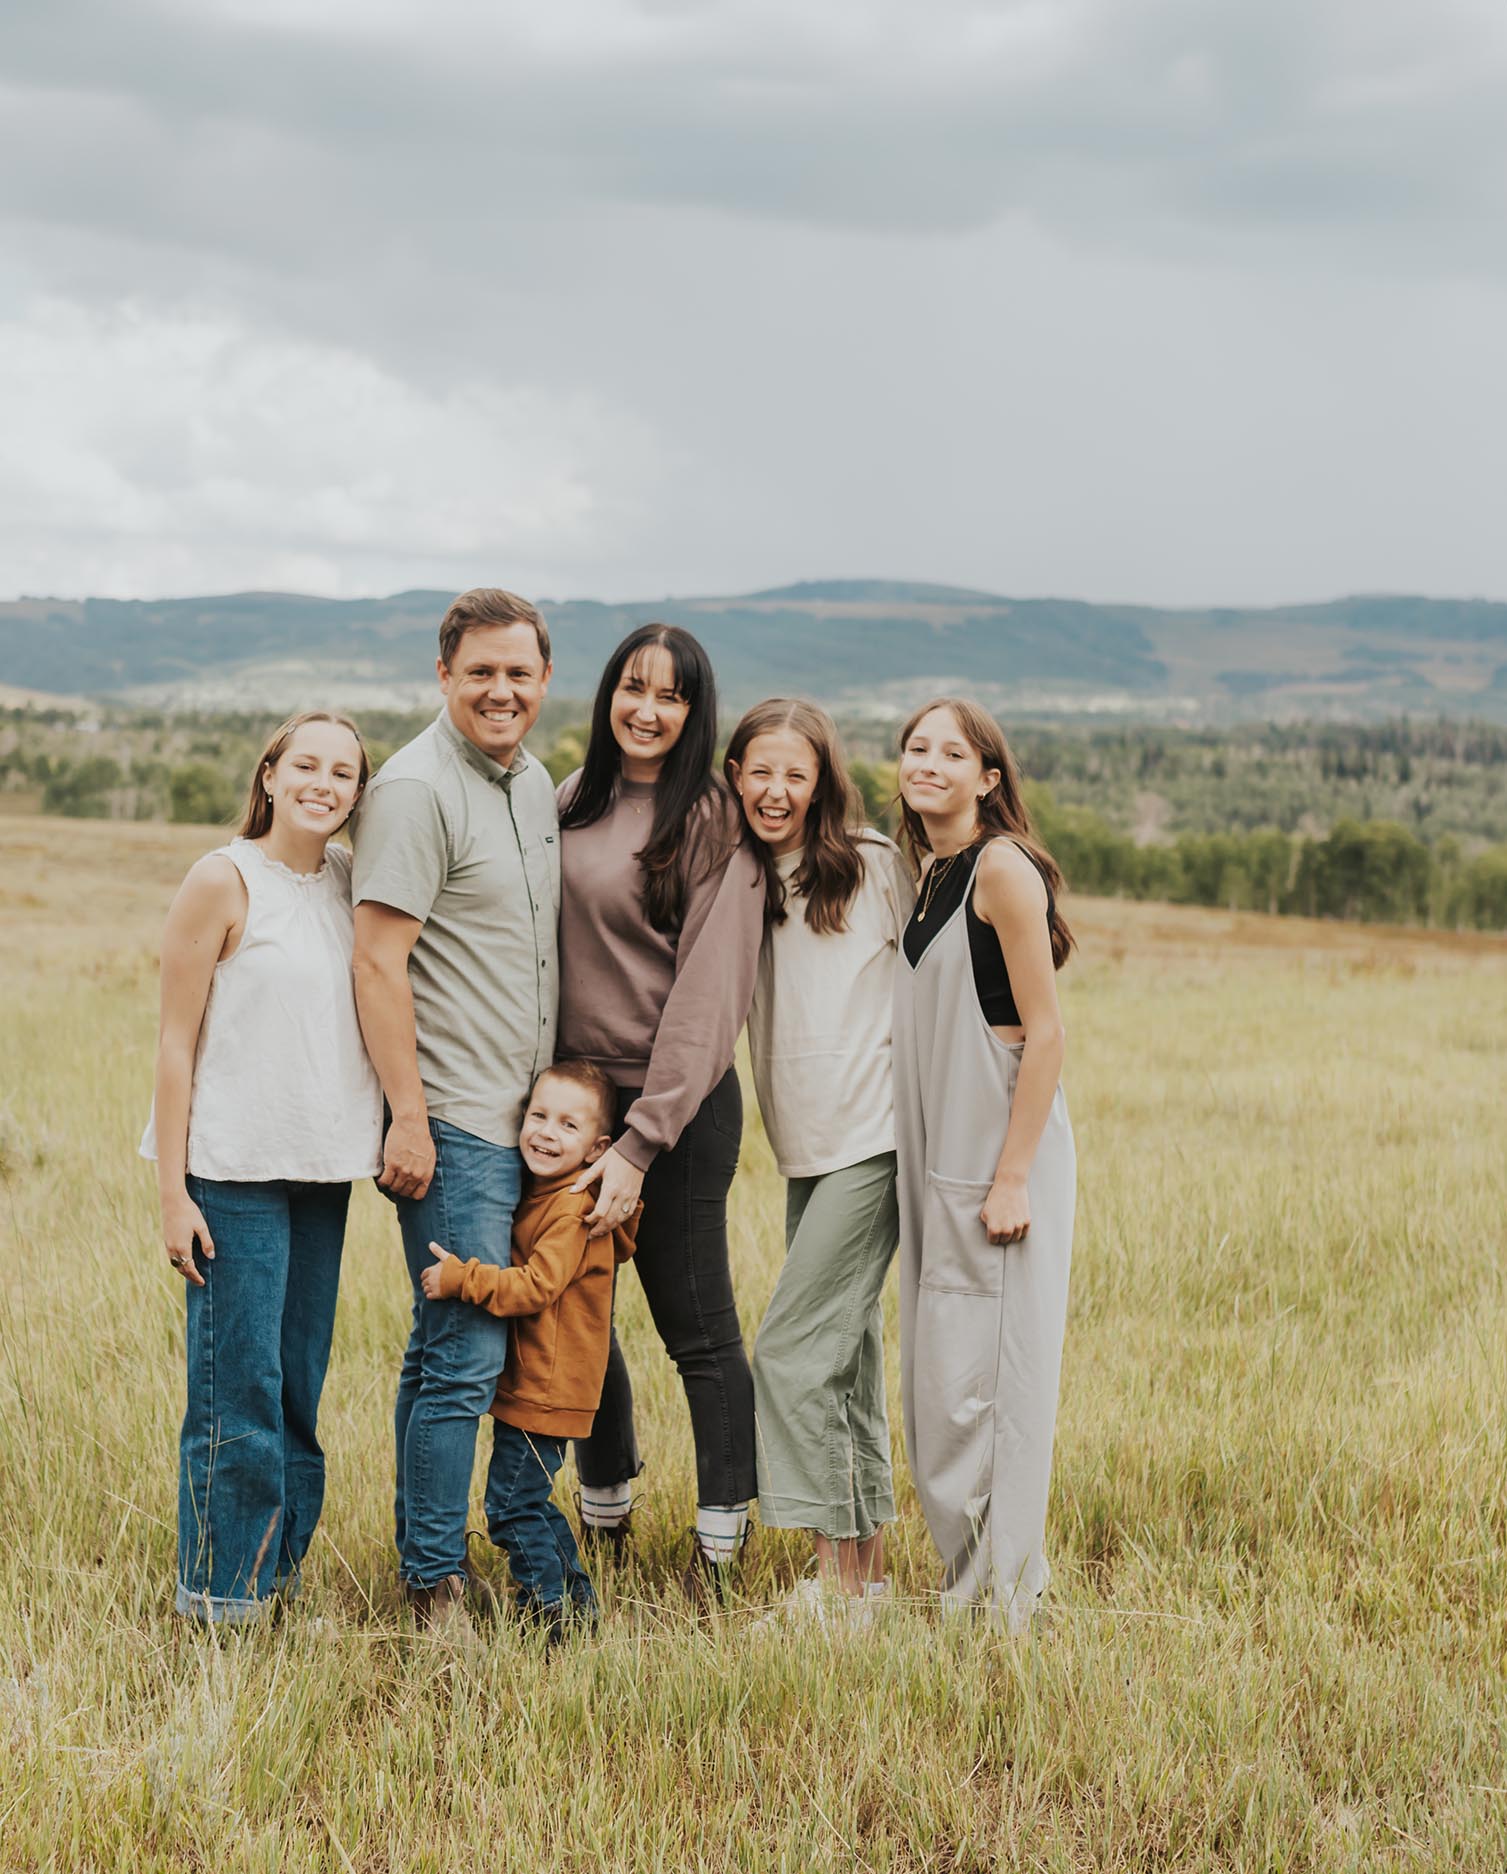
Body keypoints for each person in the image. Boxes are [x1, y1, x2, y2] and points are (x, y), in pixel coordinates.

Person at [142, 711, 382, 1625]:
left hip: (321, 1171)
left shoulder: (352, 882)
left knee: (295, 1387)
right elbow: (174, 1041)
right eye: (308, 765)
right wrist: (172, 1194)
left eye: (345, 773)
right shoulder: (222, 878)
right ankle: (216, 1598)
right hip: (231, 1171)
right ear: (271, 774)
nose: (325, 784)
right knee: (233, 1389)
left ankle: (272, 1578)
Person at [351, 587, 558, 1635]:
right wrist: (407, 1114)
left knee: (447, 1345)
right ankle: (435, 1585)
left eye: (518, 671)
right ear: (443, 675)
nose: (500, 689)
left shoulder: (535, 784)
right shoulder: (415, 789)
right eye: (480, 670)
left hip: (527, 1123)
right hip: (457, 1119)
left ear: (544, 680)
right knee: (467, 1350)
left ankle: (426, 1551)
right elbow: (378, 960)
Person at [555, 623, 765, 1604]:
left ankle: (720, 1542)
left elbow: (708, 997)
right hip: (576, 1103)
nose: (646, 708)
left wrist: (641, 1139)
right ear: (607, 695)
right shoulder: (568, 802)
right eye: (632, 687)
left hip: (673, 1109)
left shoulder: (712, 821)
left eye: (669, 695)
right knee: (578, 1313)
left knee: (696, 1324)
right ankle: (603, 1512)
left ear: (694, 712)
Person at [723, 699, 913, 1626]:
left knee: (794, 1353)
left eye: (794, 773)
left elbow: (950, 969)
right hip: (804, 1144)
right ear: (733, 776)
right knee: (846, 1356)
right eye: (759, 770)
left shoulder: (874, 867)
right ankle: (866, 1581)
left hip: (873, 1139)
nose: (775, 790)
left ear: (822, 780)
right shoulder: (744, 879)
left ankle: (837, 1589)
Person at [892, 697, 1077, 1632]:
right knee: (941, 1382)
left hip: (998, 1156)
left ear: (988, 777)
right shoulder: (928, 873)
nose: (927, 763)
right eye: (915, 748)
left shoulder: (998, 871)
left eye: (950, 752)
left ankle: (1003, 1607)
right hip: (943, 1152)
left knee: (991, 1385)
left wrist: (1011, 1176)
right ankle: (973, 1589)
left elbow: (1043, 1036)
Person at [419, 1060, 640, 1643]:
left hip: (548, 1388)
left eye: (568, 1126)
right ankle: (573, 1599)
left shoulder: (570, 1212)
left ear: (598, 1149)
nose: (545, 1132)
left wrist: (461, 1279)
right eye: (538, 1115)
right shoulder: (545, 1194)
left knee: (512, 1506)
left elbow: (536, 1287)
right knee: (527, 1499)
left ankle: (553, 1613)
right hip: (540, 1384)